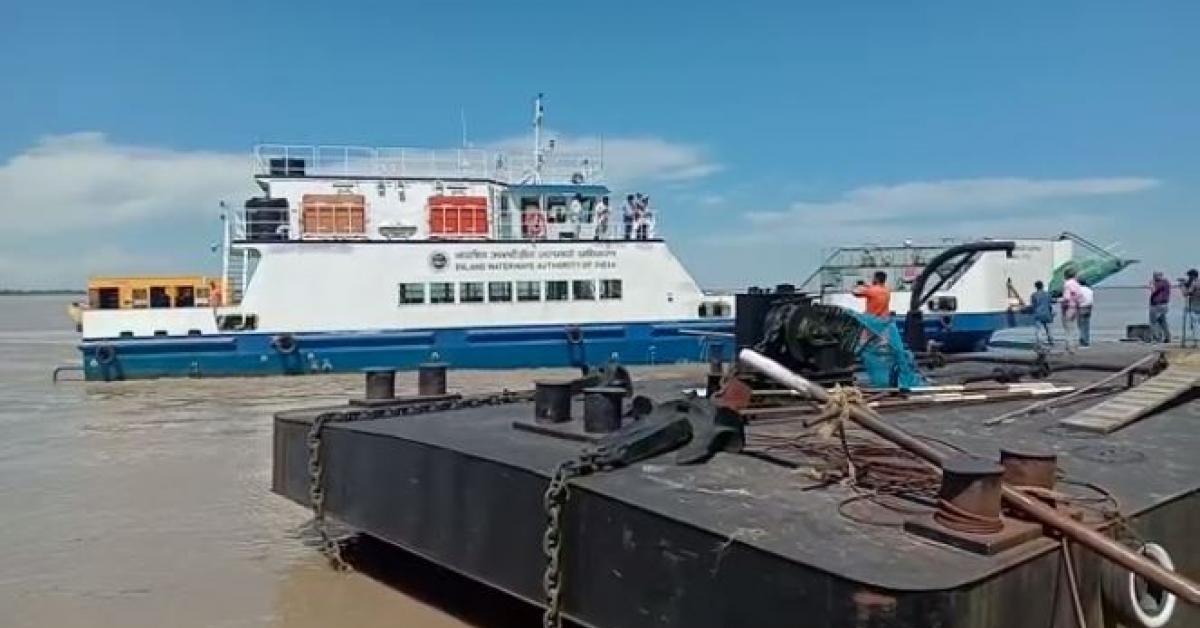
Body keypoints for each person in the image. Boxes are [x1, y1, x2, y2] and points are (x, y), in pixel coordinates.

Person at [1060, 268, 1082, 352]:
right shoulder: (1077, 284)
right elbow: (1080, 295)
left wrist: (1058, 300)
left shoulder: (1067, 284)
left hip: (1067, 307)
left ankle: (1069, 346)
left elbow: (1066, 297)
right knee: (1072, 327)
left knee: (1067, 328)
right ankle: (1072, 345)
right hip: (1075, 306)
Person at [1149, 271, 1172, 343]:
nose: (1153, 277)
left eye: (1154, 276)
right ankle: (1167, 337)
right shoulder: (1166, 282)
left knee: (1153, 322)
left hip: (1157, 305)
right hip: (1164, 305)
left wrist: (1151, 284)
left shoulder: (1158, 283)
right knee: (1163, 322)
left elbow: (1153, 290)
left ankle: (1157, 338)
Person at [1029, 280, 1054, 346]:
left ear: (1036, 287)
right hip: (1046, 313)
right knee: (1048, 328)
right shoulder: (1047, 294)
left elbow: (1033, 305)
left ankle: (1040, 341)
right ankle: (1051, 340)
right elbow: (1050, 304)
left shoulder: (1034, 295)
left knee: (1038, 329)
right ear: (1042, 286)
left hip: (1038, 313)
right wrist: (1051, 312)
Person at [1182, 268, 1200, 347]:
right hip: (1196, 305)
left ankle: (1197, 343)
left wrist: (1182, 286)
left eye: (1189, 276)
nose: (1188, 278)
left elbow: (1186, 293)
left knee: (1195, 325)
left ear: (1193, 276)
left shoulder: (1195, 283)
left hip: (1195, 306)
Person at [1077, 278, 1094, 347]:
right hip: (1089, 308)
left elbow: (1077, 300)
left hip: (1081, 308)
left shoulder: (1078, 290)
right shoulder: (1089, 290)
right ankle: (1087, 340)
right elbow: (1091, 300)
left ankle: (1083, 340)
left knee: (1081, 325)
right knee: (1087, 325)